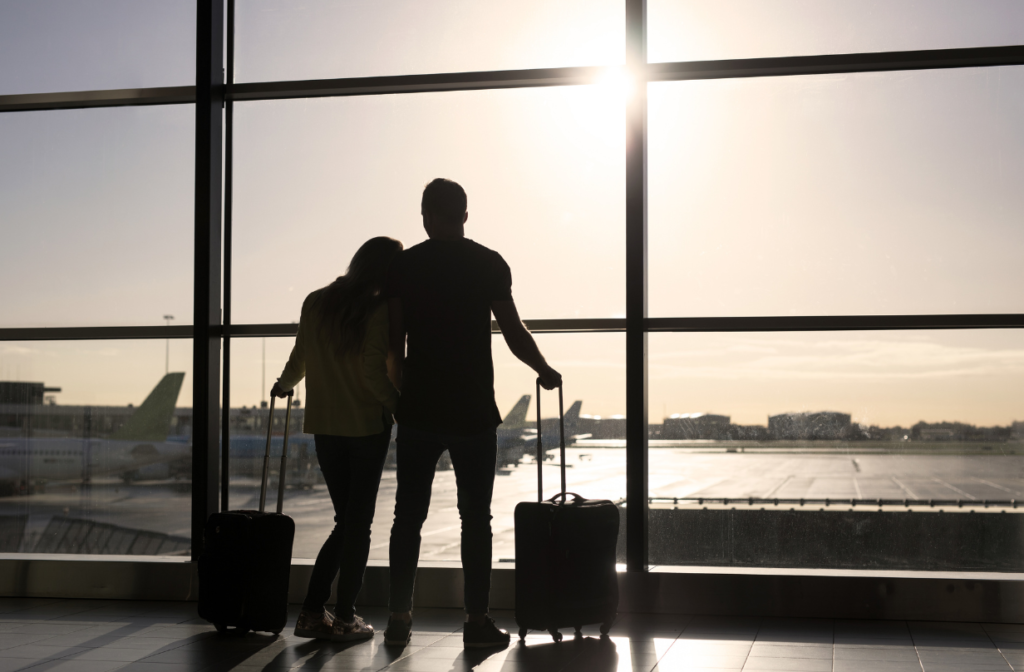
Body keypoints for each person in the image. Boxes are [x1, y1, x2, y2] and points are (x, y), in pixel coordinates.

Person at [383, 178, 561, 648]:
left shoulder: (404, 267)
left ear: (426, 214)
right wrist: (542, 368)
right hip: (472, 409)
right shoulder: (488, 263)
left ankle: (399, 618)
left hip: (419, 407)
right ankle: (476, 621)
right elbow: (513, 331)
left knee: (407, 518)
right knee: (474, 519)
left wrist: (401, 394)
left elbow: (393, 342)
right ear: (465, 214)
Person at [270, 236, 404, 642]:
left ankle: (313, 612)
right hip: (365, 427)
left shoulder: (315, 301)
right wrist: (399, 406)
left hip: (325, 429)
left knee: (345, 522)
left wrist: (283, 383)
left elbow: (301, 355)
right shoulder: (379, 307)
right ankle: (344, 617)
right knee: (356, 525)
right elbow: (371, 370)